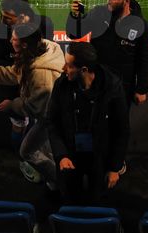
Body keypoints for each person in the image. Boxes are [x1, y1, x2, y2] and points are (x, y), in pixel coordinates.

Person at [0, 22, 64, 183]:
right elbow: (16, 72)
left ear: (24, 44)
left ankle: (59, 181)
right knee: (48, 149)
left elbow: (36, 107)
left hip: (51, 117)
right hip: (52, 112)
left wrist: (12, 105)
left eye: (14, 39)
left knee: (27, 151)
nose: (10, 41)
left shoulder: (41, 75)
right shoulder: (42, 48)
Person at [47, 42, 129, 205]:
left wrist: (114, 167)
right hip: (70, 154)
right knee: (69, 197)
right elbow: (53, 122)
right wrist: (61, 155)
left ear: (84, 70)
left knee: (98, 199)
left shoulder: (112, 87)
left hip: (100, 155)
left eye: (69, 66)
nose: (63, 69)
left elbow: (122, 129)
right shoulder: (62, 85)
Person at [66, 0, 148, 110]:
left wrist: (141, 89)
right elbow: (74, 34)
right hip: (96, 81)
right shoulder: (99, 13)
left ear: (126, 0)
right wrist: (75, 16)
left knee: (118, 123)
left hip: (123, 85)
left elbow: (144, 59)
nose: (109, 1)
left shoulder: (141, 25)